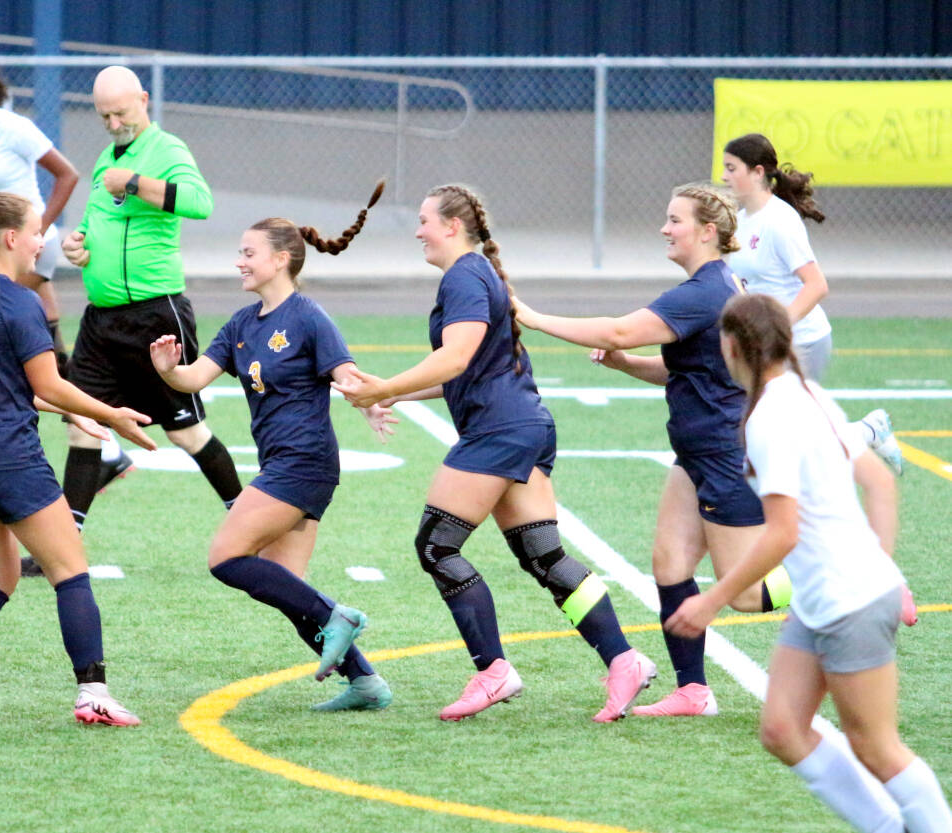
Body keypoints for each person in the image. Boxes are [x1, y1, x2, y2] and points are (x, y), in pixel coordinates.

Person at [334, 184, 655, 723]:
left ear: (453, 226)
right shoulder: (476, 274)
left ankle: (493, 671)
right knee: (545, 556)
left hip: (500, 430)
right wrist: (386, 391)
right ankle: (624, 660)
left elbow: (455, 359)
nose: (418, 232)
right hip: (523, 424)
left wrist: (383, 386)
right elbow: (464, 371)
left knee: (437, 546)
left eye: (424, 221)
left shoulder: (463, 275)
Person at [666, 292, 944, 833]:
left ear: (730, 346)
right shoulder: (805, 392)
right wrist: (879, 561)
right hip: (825, 601)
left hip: (848, 601)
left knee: (877, 748)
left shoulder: (772, 417)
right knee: (782, 729)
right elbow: (881, 482)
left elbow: (783, 533)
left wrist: (711, 600)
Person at [511, 183, 788, 718]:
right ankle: (692, 690)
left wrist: (534, 318)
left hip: (725, 456)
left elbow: (621, 329)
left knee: (745, 595)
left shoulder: (704, 291)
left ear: (707, 231)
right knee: (669, 563)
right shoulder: (708, 289)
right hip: (694, 455)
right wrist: (624, 365)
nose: (665, 229)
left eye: (674, 220)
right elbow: (684, 369)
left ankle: (852, 582)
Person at [0, 192, 157, 726]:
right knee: (70, 571)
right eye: (36, 230)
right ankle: (93, 694)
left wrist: (74, 415)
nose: (43, 238)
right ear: (10, 239)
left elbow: (6, 385)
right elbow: (46, 381)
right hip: (9, 461)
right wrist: (110, 412)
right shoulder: (20, 300)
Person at [149, 185, 396, 711]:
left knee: (225, 558)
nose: (239, 261)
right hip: (283, 463)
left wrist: (371, 401)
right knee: (287, 588)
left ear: (281, 260)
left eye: (248, 253)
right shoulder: (241, 324)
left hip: (304, 463)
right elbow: (195, 379)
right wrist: (169, 370)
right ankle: (365, 682)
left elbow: (346, 374)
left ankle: (338, 617)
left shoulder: (308, 316)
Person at [0, 55, 133, 579]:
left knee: (30, 350)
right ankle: (105, 443)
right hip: (6, 242)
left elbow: (67, 173)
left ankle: (103, 437)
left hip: (25, 242)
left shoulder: (10, 126)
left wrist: (36, 236)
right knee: (41, 341)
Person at [60, 65, 242, 536]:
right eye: (104, 117)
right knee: (82, 423)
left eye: (121, 113)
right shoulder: (106, 158)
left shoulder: (167, 149)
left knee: (185, 432)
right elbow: (96, 223)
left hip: (154, 315)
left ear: (143, 99)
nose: (114, 124)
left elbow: (201, 202)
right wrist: (79, 247)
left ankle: (248, 521)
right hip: (101, 321)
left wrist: (136, 182)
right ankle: (61, 542)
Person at [721, 132, 902, 473]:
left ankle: (868, 431)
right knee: (768, 432)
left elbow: (816, 285)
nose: (725, 176)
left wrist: (775, 328)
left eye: (732, 168)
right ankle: (867, 431)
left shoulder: (780, 220)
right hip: (762, 344)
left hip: (800, 342)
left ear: (758, 172)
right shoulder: (742, 221)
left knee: (783, 437)